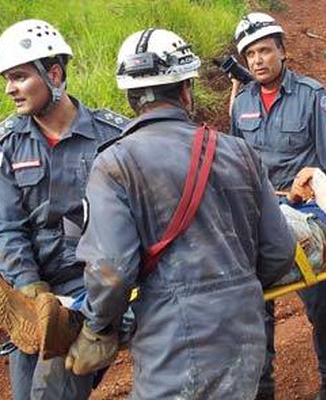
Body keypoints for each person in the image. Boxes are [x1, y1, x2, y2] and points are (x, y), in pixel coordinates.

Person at [63, 28, 296, 399]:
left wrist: (96, 327)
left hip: (173, 345)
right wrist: (234, 289)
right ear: (186, 89)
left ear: (130, 98)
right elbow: (280, 251)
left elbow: (111, 271)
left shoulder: (114, 164)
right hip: (245, 334)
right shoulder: (240, 152)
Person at [0, 19, 126, 399]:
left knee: (49, 394)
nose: (9, 89)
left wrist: (107, 307)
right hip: (38, 296)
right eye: (6, 79)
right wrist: (30, 288)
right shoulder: (6, 145)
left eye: (18, 76)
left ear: (53, 73)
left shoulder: (113, 137)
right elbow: (6, 227)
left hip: (93, 289)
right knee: (23, 391)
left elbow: (134, 229)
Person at [230, 12, 326, 400]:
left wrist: (308, 194)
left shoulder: (313, 97)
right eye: (250, 54)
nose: (257, 61)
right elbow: (238, 167)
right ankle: (263, 387)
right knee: (255, 307)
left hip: (306, 212)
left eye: (265, 50)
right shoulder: (242, 104)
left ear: (282, 51)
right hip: (259, 215)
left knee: (319, 303)